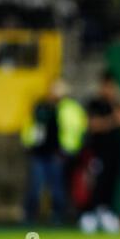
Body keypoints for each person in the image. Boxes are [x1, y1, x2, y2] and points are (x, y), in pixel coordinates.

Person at [21, 79, 87, 225]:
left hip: (58, 154)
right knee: (36, 187)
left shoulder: (69, 108)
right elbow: (30, 127)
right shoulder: (41, 107)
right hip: (39, 153)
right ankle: (30, 217)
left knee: (57, 188)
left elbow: (77, 129)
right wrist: (29, 145)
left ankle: (58, 217)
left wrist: (68, 151)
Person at [77, 72, 120, 233]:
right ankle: (90, 215)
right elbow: (93, 125)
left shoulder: (116, 102)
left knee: (110, 184)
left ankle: (105, 213)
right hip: (98, 151)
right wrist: (112, 121)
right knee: (96, 184)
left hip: (114, 151)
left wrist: (115, 102)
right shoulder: (94, 103)